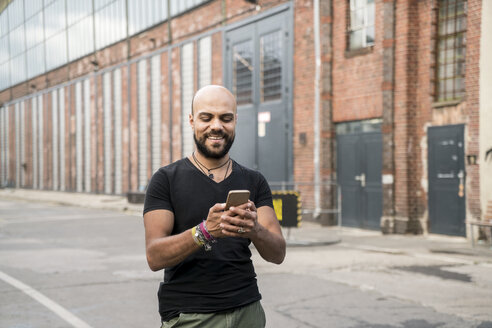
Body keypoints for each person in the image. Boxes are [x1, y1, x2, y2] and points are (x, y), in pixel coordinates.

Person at [143, 85, 286, 328]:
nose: (217, 126)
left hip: (247, 311)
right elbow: (154, 257)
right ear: (192, 121)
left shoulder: (254, 181)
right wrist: (204, 232)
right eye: (206, 117)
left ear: (235, 121)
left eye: (226, 118)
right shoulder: (165, 179)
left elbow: (278, 253)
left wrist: (254, 229)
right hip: (190, 316)